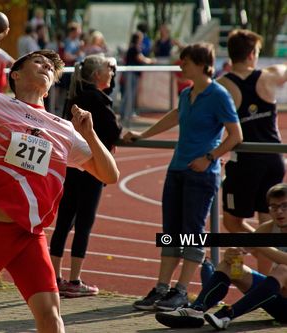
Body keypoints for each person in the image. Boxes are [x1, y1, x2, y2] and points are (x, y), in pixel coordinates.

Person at [0, 13, 119, 333]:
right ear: (15, 74)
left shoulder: (63, 129)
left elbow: (109, 175)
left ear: (51, 87)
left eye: (51, 67)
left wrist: (89, 135)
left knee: (51, 319)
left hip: (30, 236)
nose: (47, 67)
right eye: (38, 62)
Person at [123, 43, 243, 312]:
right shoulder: (187, 93)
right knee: (171, 233)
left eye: (185, 61)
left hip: (201, 175)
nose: (180, 64)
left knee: (192, 233)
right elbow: (175, 117)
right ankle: (162, 289)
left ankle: (181, 291)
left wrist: (209, 158)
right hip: (177, 170)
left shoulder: (218, 95)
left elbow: (236, 136)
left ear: (202, 64)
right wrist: (143, 135)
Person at [155, 182, 287, 330]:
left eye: (284, 206)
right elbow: (245, 245)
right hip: (277, 300)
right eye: (274, 207)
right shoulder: (270, 227)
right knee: (229, 265)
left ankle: (228, 314)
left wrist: (260, 245)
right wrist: (233, 252)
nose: (279, 212)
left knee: (283, 270)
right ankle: (196, 310)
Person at [50, 54, 121, 298]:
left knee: (64, 221)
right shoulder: (98, 100)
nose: (112, 73)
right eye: (108, 70)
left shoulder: (75, 96)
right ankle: (74, 279)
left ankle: (55, 277)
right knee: (84, 223)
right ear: (97, 75)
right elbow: (114, 131)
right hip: (91, 168)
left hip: (71, 167)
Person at [218, 29, 286, 274]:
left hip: (247, 160)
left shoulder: (223, 84)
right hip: (274, 157)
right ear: (251, 54)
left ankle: (263, 251)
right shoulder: (269, 75)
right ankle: (271, 285)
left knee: (232, 221)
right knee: (268, 223)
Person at [119, 31, 156, 123]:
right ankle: (126, 115)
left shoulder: (134, 48)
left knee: (130, 94)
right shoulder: (134, 48)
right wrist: (151, 61)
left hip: (133, 74)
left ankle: (125, 113)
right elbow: (141, 58)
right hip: (131, 73)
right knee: (129, 94)